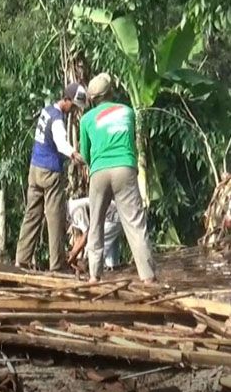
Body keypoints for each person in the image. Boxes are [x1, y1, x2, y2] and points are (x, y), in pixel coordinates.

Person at [79, 73, 157, 284]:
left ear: (93, 98)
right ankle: (148, 277)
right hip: (125, 168)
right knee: (134, 223)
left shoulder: (86, 120)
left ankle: (94, 276)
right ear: (111, 92)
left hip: (99, 171)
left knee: (95, 222)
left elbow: (85, 153)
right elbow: (131, 141)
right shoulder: (127, 112)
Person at [15, 83, 87, 271]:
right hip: (50, 172)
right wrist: (75, 155)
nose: (73, 110)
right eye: (73, 106)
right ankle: (57, 265)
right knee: (55, 218)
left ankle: (21, 259)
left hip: (35, 169)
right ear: (67, 100)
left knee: (32, 214)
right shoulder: (57, 119)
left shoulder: (46, 111)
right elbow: (61, 143)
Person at [66, 197, 122, 270]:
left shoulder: (75, 211)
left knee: (95, 248)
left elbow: (86, 234)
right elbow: (81, 237)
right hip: (113, 214)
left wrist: (73, 254)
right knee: (111, 263)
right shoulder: (72, 208)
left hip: (110, 217)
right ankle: (112, 269)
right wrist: (73, 253)